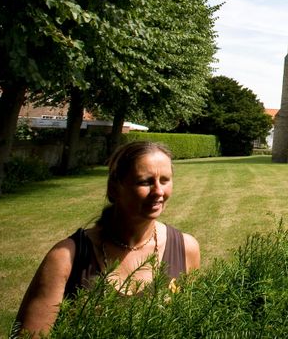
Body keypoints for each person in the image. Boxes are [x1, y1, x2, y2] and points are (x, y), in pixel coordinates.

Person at [15, 141, 201, 336]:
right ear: (114, 188)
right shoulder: (66, 257)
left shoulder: (185, 248)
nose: (158, 192)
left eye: (164, 180)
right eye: (145, 181)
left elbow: (190, 324)